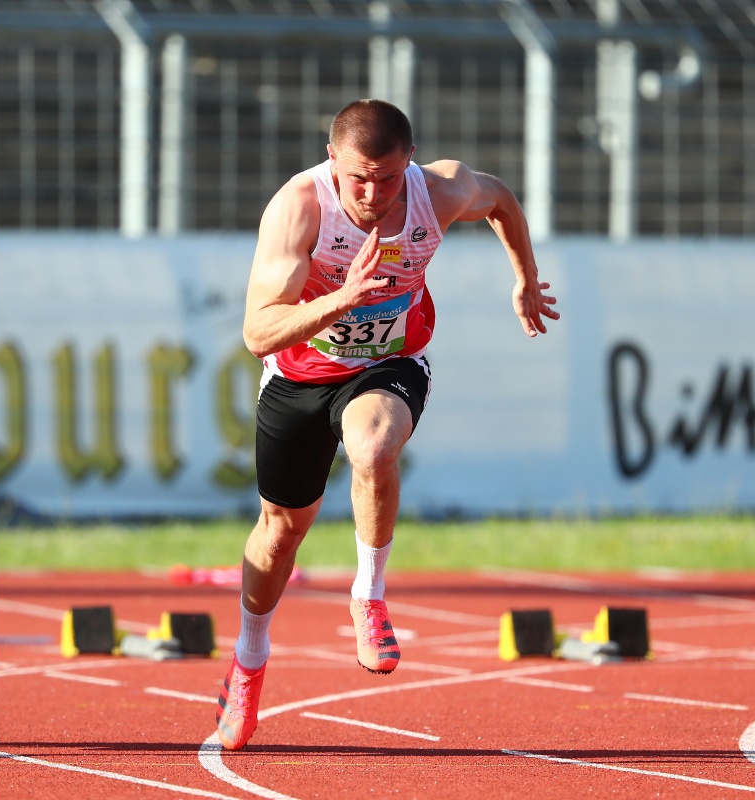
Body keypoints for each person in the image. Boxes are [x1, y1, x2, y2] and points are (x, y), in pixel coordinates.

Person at [214, 99, 560, 750]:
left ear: (411, 163)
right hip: (300, 376)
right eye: (357, 179)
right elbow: (258, 331)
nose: (372, 194)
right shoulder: (301, 209)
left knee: (372, 445)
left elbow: (503, 201)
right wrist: (341, 299)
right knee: (279, 535)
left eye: (389, 178)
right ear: (331, 161)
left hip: (390, 363)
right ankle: (249, 660)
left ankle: (367, 598)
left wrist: (525, 278)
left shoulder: (439, 192)